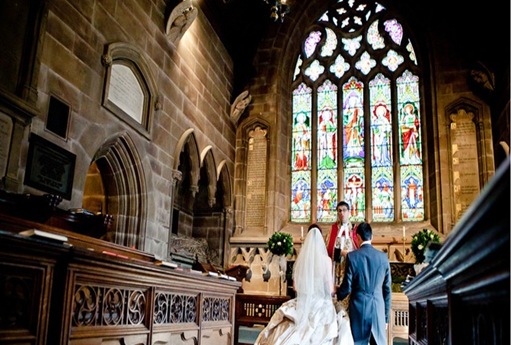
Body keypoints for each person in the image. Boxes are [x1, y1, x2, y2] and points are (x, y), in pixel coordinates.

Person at [254, 224, 344, 345]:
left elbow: (296, 287)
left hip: (303, 302)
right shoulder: (326, 260)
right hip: (321, 304)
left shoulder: (301, 261)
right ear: (321, 239)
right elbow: (329, 289)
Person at [337, 222, 392, 345]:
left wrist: (338, 294)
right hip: (378, 309)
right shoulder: (383, 257)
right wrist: (386, 318)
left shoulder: (352, 257)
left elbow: (347, 286)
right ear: (371, 237)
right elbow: (387, 290)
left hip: (359, 309)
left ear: (358, 237)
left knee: (358, 342)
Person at [326, 201, 359, 287]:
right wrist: (340, 252)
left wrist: (349, 254)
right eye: (339, 211)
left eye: (344, 210)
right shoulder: (333, 228)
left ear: (349, 212)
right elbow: (329, 248)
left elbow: (359, 248)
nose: (342, 213)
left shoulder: (354, 228)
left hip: (350, 263)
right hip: (337, 264)